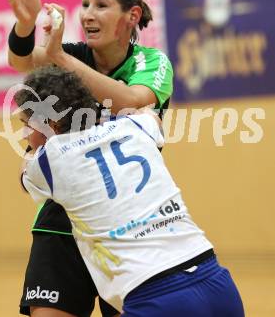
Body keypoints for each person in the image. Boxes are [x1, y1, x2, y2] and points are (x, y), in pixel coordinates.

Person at [7, 0, 173, 316]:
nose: (87, 15)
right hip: (68, 214)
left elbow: (131, 99)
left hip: (130, 223)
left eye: (101, 5)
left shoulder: (151, 62)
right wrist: (25, 23)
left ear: (133, 15)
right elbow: (21, 60)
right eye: (84, 4)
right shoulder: (70, 54)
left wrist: (59, 57)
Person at [15, 65, 245, 316]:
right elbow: (150, 114)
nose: (25, 133)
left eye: (27, 124)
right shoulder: (137, 125)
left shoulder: (48, 160)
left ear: (51, 123)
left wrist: (37, 146)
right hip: (216, 282)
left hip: (155, 297)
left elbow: (24, 174)